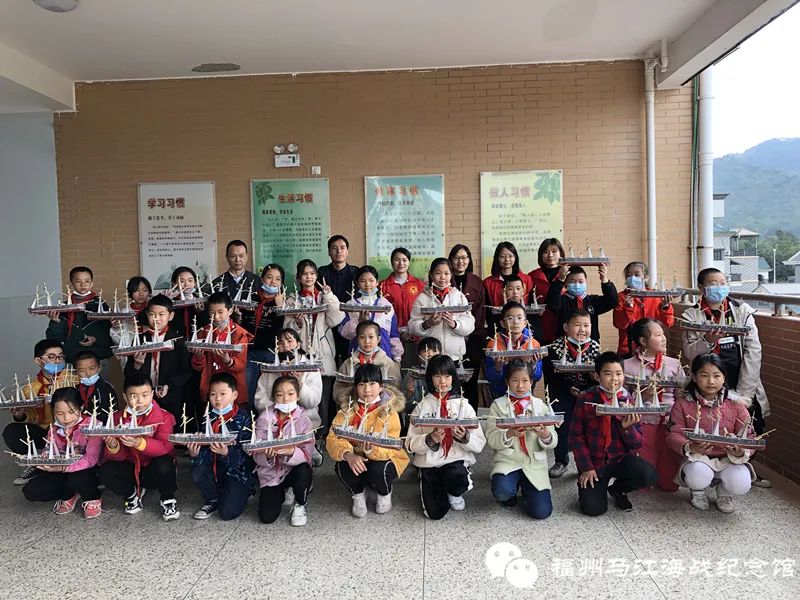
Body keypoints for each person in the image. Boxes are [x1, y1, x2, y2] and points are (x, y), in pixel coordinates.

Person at [681, 267, 770, 489]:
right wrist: (708, 341)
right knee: (708, 424)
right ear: (701, 288)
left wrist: (745, 392)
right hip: (707, 382)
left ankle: (743, 468)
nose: (720, 288)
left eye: (723, 283)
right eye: (714, 284)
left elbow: (754, 351)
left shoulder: (742, 311)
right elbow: (690, 352)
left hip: (741, 378)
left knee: (751, 425)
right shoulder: (692, 315)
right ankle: (707, 471)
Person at [569, 352, 657, 516]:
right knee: (593, 509)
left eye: (618, 374)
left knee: (648, 475)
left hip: (620, 459)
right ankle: (592, 487)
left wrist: (626, 428)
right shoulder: (586, 399)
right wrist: (586, 467)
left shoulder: (629, 401)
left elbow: (637, 443)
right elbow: (576, 436)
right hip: (595, 462)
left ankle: (617, 489)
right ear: (597, 376)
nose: (614, 379)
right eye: (608, 374)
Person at [666, 354, 757, 513]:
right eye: (704, 375)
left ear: (724, 377)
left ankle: (725, 492)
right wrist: (690, 447)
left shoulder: (736, 404)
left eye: (716, 376)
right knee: (697, 475)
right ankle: (697, 491)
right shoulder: (683, 403)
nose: (711, 381)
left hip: (729, 458)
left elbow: (749, 436)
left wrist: (741, 451)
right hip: (698, 458)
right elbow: (673, 434)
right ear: (694, 377)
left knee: (741, 483)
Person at [405, 355, 486, 520]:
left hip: (455, 461)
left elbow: (480, 444)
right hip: (430, 463)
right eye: (437, 376)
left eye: (447, 376)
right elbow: (409, 444)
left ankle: (454, 492)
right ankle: (431, 485)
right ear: (430, 378)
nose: (442, 381)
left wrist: (465, 438)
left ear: (453, 377)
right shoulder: (421, 407)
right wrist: (429, 440)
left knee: (457, 478)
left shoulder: (464, 405)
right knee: (434, 513)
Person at [327, 364, 408, 517]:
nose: (367, 390)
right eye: (361, 384)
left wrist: (371, 449)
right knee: (341, 466)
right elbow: (333, 437)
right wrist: (348, 454)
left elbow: (391, 448)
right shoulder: (346, 409)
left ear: (381, 387)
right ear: (355, 387)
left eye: (372, 384)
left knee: (379, 470)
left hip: (385, 458)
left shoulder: (390, 412)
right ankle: (358, 493)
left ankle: (384, 493)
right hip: (356, 457)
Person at [98, 373, 179, 521]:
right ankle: (131, 495)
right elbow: (114, 456)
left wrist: (140, 443)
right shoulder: (116, 418)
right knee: (105, 471)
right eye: (134, 396)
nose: (140, 401)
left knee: (165, 462)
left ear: (152, 394)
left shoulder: (164, 417)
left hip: (152, 470)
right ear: (125, 397)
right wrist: (114, 447)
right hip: (130, 467)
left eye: (145, 395)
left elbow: (165, 447)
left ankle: (167, 499)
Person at [485, 360, 558, 519]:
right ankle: (509, 493)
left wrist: (544, 433)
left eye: (525, 380)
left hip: (534, 463)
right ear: (507, 382)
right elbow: (491, 438)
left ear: (531, 381)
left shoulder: (541, 406)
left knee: (541, 512)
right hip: (508, 461)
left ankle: (527, 490)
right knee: (502, 491)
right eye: (515, 380)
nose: (520, 385)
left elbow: (553, 441)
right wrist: (509, 434)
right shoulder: (497, 405)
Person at [4, 339, 79, 485]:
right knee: (12, 432)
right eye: (51, 357)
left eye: (61, 357)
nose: (57, 361)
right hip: (45, 432)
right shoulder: (31, 388)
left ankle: (72, 464)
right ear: (38, 361)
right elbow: (32, 416)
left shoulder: (75, 380)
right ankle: (37, 462)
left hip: (72, 433)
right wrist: (20, 415)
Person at [21, 388, 104, 519]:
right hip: (62, 469)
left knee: (77, 479)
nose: (66, 418)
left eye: (71, 412)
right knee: (31, 491)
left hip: (88, 470)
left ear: (81, 407)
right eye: (60, 413)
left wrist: (64, 468)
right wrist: (45, 458)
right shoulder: (54, 429)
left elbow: (91, 459)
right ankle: (69, 495)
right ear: (53, 411)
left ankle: (92, 497)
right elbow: (49, 449)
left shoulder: (94, 426)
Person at [286, 259, 344, 439]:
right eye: (304, 274)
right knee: (303, 397)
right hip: (301, 355)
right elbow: (287, 331)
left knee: (323, 398)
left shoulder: (323, 296)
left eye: (312, 273)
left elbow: (337, 318)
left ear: (317, 276)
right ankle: (304, 434)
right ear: (298, 278)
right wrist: (296, 323)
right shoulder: (292, 300)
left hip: (322, 354)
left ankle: (322, 435)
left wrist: (328, 295)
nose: (309, 277)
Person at [622, 318, 681, 492]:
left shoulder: (674, 364)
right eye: (658, 335)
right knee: (643, 484)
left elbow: (681, 396)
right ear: (643, 340)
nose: (664, 338)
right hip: (642, 423)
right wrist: (642, 396)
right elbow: (621, 399)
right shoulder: (627, 366)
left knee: (670, 485)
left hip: (668, 424)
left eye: (663, 334)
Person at [542, 309, 601, 478]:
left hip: (587, 393)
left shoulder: (595, 347)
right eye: (577, 325)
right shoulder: (555, 347)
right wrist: (568, 388)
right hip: (562, 392)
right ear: (566, 327)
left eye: (586, 325)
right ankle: (561, 460)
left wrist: (594, 379)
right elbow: (550, 375)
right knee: (562, 427)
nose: (582, 329)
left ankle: (584, 464)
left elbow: (599, 375)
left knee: (588, 428)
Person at [188, 373, 255, 521]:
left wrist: (227, 453)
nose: (217, 399)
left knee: (227, 513)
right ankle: (212, 499)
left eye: (223, 394)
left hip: (236, 472)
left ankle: (244, 490)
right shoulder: (207, 418)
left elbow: (249, 453)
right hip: (214, 468)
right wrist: (195, 454)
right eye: (213, 394)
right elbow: (204, 451)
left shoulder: (244, 418)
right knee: (198, 471)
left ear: (234, 395)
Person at [254, 328, 324, 466]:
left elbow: (313, 401)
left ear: (298, 344)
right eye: (280, 343)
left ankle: (309, 450)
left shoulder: (310, 367)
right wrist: (280, 406)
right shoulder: (269, 368)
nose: (285, 346)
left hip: (304, 423)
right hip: (275, 423)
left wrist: (300, 384)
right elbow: (259, 401)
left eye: (290, 341)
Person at [253, 376, 315, 526]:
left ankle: (300, 503)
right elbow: (255, 453)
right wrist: (267, 456)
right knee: (267, 517)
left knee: (304, 470)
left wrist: (291, 452)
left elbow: (307, 454)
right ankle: (281, 492)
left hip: (293, 469)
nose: (285, 399)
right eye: (280, 395)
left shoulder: (304, 421)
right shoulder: (264, 419)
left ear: (298, 396)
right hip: (271, 474)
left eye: (290, 394)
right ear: (274, 397)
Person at [124, 295, 191, 425]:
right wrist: (137, 365)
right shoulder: (140, 339)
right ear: (147, 314)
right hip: (143, 398)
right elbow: (128, 373)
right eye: (152, 314)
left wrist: (169, 385)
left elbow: (185, 371)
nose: (156, 319)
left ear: (170, 316)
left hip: (171, 395)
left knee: (169, 428)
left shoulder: (177, 340)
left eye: (161, 314)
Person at [190, 291, 253, 405]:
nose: (216, 317)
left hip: (233, 386)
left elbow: (241, 365)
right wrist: (198, 356)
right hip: (210, 385)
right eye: (212, 312)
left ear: (230, 311)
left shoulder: (240, 334)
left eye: (220, 312)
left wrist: (227, 360)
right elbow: (198, 367)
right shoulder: (203, 332)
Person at [408, 258, 475, 363]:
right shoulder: (422, 298)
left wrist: (455, 324)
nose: (443, 277)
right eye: (438, 273)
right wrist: (427, 324)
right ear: (431, 275)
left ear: (451, 275)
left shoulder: (459, 297)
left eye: (446, 273)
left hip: (454, 356)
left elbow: (470, 325)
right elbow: (412, 326)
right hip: (430, 356)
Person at [45, 266, 113, 364]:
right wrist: (56, 321)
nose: (83, 285)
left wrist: (96, 339)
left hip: (98, 356)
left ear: (92, 283)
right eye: (78, 281)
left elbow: (110, 332)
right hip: (72, 357)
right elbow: (54, 339)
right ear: (71, 283)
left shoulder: (100, 305)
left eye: (87, 281)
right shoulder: (64, 307)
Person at [240, 263, 286, 405]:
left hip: (270, 351)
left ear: (281, 283)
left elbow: (281, 329)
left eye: (278, 279)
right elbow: (242, 324)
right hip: (250, 351)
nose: (273, 282)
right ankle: (248, 416)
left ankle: (269, 417)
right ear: (262, 279)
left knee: (270, 389)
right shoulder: (250, 298)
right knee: (248, 389)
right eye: (269, 277)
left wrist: (280, 308)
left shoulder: (284, 302)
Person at [448, 244, 487, 404]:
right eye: (456, 258)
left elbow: (480, 313)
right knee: (450, 383)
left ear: (469, 260)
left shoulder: (477, 282)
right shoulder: (444, 280)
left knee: (471, 384)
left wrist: (468, 332)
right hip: (450, 339)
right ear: (451, 260)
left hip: (473, 340)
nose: (460, 261)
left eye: (464, 258)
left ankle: (471, 416)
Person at [339, 265, 403, 361]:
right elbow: (343, 332)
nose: (367, 284)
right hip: (358, 357)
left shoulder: (386, 305)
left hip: (383, 355)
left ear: (377, 282)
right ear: (357, 283)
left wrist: (397, 356)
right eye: (363, 281)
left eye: (371, 280)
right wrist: (359, 322)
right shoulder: (351, 305)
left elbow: (393, 334)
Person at [333, 320, 404, 406]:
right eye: (362, 337)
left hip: (382, 409)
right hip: (354, 409)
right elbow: (338, 390)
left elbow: (397, 391)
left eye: (371, 337)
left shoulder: (388, 364)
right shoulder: (348, 364)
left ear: (378, 339)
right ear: (357, 339)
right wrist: (352, 397)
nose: (367, 341)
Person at [613, 261, 675, 357]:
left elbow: (668, 323)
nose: (632, 278)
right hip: (628, 349)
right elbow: (619, 324)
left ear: (646, 277)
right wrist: (628, 307)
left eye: (637, 274)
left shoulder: (655, 296)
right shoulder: (621, 297)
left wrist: (665, 306)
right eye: (629, 275)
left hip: (653, 348)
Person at [484, 301, 543, 399]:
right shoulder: (494, 344)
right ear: (502, 323)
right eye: (510, 318)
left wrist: (533, 366)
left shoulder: (533, 344)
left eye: (519, 318)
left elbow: (537, 377)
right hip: (501, 394)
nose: (516, 322)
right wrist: (498, 369)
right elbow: (490, 377)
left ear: (525, 323)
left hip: (525, 394)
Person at [546, 264, 618, 344]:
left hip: (590, 344)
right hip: (565, 344)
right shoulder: (561, 300)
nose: (577, 285)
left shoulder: (592, 301)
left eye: (580, 282)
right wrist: (560, 280)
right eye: (572, 282)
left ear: (586, 282)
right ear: (566, 282)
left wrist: (604, 279)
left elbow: (613, 301)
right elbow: (551, 304)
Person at [379, 247, 425, 367]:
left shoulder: (419, 285)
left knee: (416, 369)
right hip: (392, 337)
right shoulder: (383, 286)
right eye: (397, 260)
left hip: (416, 336)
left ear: (409, 262)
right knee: (395, 370)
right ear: (391, 262)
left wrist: (411, 329)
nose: (401, 263)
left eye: (404, 260)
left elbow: (423, 311)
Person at [317, 235, 359, 365]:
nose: (339, 251)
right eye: (334, 248)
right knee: (330, 359)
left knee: (350, 360)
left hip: (350, 322)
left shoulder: (356, 272)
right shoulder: (321, 272)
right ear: (329, 252)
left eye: (342, 248)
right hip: (328, 323)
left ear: (347, 251)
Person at [528, 238, 565, 344]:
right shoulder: (531, 276)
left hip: (563, 323)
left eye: (554, 251)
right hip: (539, 325)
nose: (550, 255)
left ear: (561, 253)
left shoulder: (569, 274)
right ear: (541, 255)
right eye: (545, 252)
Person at [110, 276, 153, 367]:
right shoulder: (123, 313)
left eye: (145, 290)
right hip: (129, 351)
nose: (141, 294)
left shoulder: (153, 311)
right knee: (131, 371)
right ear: (130, 293)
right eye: (137, 290)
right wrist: (116, 327)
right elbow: (116, 339)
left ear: (149, 292)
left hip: (150, 350)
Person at [401, 336, 442, 432]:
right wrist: (409, 393)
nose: (430, 354)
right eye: (425, 351)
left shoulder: (444, 376)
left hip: (438, 420)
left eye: (434, 351)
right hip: (415, 420)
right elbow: (404, 407)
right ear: (419, 354)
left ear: (441, 353)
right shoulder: (412, 375)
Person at [482, 242, 533, 308]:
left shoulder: (527, 280)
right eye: (502, 256)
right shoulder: (488, 283)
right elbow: (486, 308)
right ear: (497, 258)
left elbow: (532, 305)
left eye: (510, 256)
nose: (507, 259)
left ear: (515, 257)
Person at [166, 266, 209, 339]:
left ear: (195, 283)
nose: (186, 284)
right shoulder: (169, 302)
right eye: (182, 281)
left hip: (197, 342)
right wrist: (165, 300)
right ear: (174, 283)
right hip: (175, 341)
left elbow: (208, 325)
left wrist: (201, 312)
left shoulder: (202, 301)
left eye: (190, 280)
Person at [74, 350, 118, 419]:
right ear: (77, 372)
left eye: (92, 369)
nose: (88, 374)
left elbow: (112, 413)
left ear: (99, 368)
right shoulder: (75, 389)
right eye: (82, 371)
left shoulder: (106, 388)